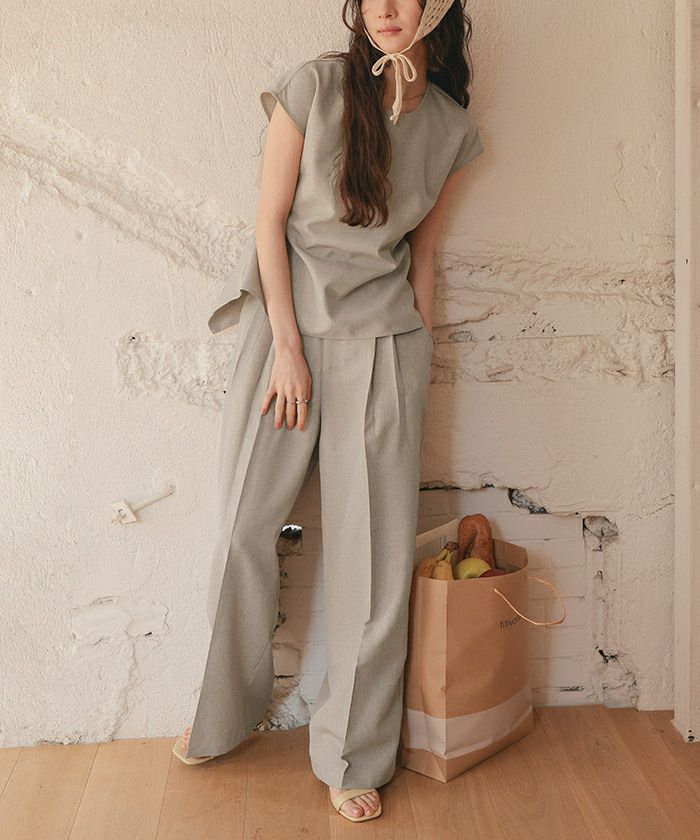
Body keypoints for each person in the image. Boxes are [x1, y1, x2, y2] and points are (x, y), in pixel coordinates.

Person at [172, 0, 484, 825]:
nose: (386, 7)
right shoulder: (312, 86)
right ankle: (225, 712)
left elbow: (424, 255)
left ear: (438, 7)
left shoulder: (450, 127)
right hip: (287, 337)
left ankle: (353, 754)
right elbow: (268, 222)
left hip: (385, 348)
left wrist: (417, 361)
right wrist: (285, 344)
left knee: (372, 564)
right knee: (243, 527)